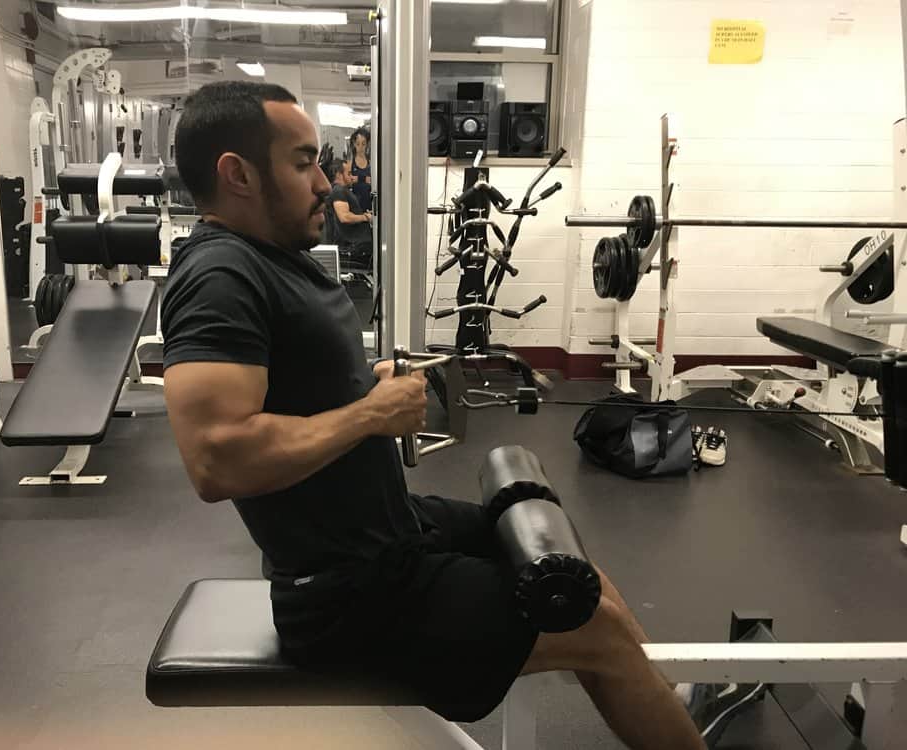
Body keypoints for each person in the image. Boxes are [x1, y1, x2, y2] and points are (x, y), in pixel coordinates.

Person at [160, 81, 762, 750]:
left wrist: (368, 386)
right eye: (303, 163)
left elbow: (293, 391)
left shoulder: (273, 260)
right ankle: (652, 698)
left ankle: (658, 693)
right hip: (348, 598)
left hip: (389, 538)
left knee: (570, 568)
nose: (327, 182)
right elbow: (216, 457)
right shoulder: (220, 277)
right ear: (237, 174)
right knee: (594, 626)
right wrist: (367, 415)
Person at [326, 158, 372, 268]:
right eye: (349, 173)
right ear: (339, 175)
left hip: (360, 245)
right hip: (355, 247)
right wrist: (366, 217)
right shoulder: (338, 191)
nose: (352, 177)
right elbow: (344, 217)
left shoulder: (343, 191)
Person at [348, 126, 371, 210]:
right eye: (358, 144)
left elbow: (375, 182)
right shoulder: (350, 162)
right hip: (356, 205)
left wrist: (358, 179)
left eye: (363, 144)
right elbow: (349, 181)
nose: (360, 147)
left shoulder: (371, 162)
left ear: (367, 144)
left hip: (370, 204)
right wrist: (364, 179)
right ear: (354, 144)